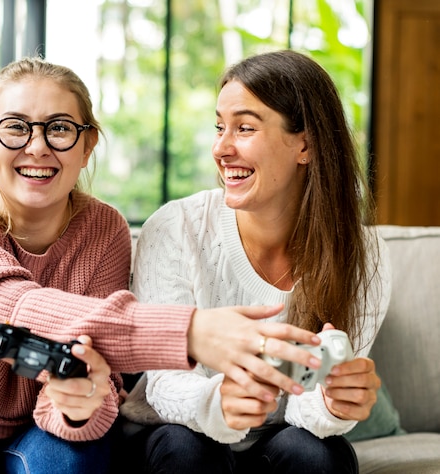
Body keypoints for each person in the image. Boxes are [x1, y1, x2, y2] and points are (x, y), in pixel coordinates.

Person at [0, 57, 323, 474]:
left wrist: (77, 406)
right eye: (15, 127)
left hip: (46, 423)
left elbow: (99, 375)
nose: (37, 145)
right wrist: (187, 332)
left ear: (87, 146)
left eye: (60, 129)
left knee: (70, 463)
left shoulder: (104, 230)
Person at [119, 49, 392, 473]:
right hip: (176, 430)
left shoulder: (363, 256)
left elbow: (310, 409)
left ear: (306, 144)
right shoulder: (177, 227)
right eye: (219, 127)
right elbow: (165, 385)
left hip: (280, 440)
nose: (221, 148)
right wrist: (220, 403)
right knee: (188, 449)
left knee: (322, 456)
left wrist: (336, 404)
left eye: (244, 128)